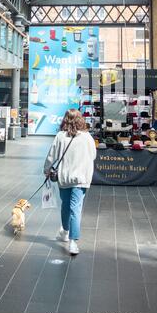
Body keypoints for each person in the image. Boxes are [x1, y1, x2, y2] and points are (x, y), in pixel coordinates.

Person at [44, 109, 96, 255]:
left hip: (64, 177)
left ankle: (66, 232)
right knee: (75, 209)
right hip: (81, 178)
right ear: (80, 119)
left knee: (66, 206)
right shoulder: (87, 137)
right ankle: (73, 242)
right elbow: (93, 155)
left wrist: (46, 169)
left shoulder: (61, 136)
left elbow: (51, 155)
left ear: (65, 119)